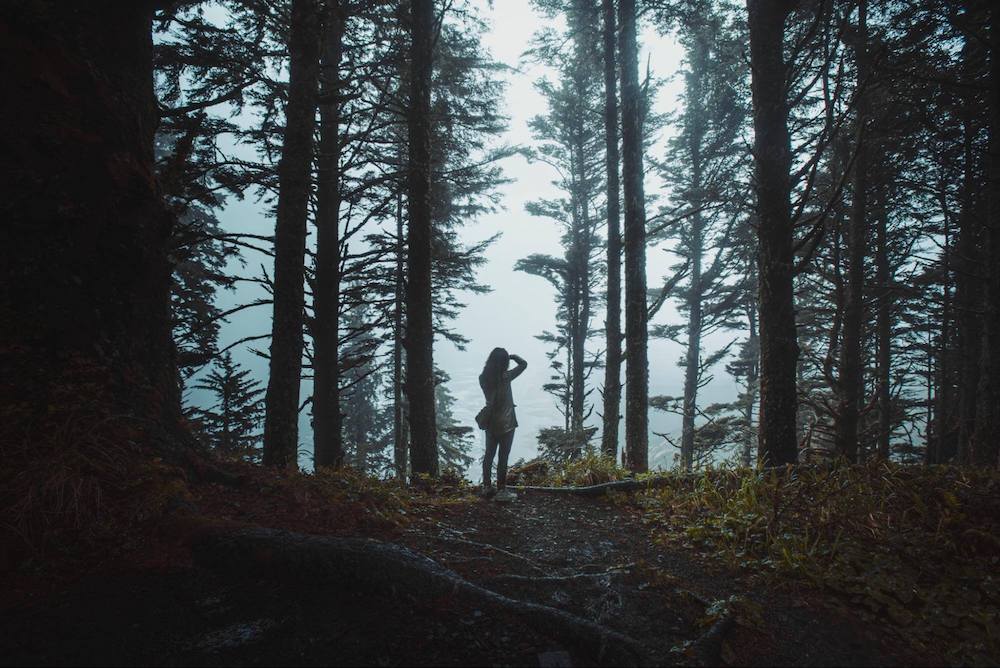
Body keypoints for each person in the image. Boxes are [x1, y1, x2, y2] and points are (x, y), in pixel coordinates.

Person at [479, 347, 527, 501]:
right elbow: (524, 364)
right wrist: (513, 356)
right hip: (507, 424)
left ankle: (487, 487)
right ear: (504, 362)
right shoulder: (506, 376)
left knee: (489, 455)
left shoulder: (483, 378)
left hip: (491, 422)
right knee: (503, 457)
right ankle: (501, 490)